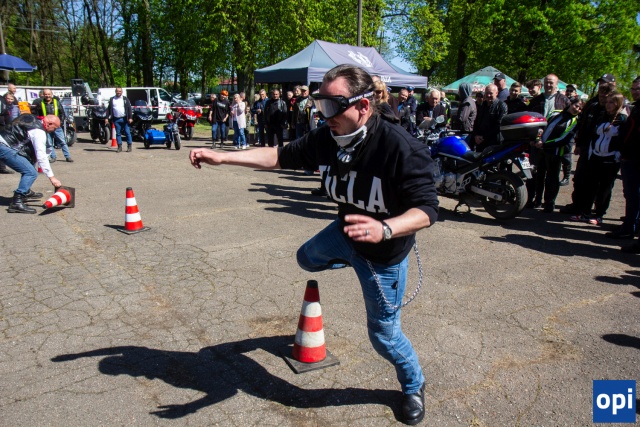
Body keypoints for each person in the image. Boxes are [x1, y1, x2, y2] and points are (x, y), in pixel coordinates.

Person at [189, 64, 438, 425]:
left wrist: (386, 228)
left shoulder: (400, 147)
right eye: (320, 104)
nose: (324, 116)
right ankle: (352, 260)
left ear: (362, 106)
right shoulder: (329, 137)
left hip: (385, 254)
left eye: (332, 106)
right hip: (346, 233)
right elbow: (279, 155)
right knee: (306, 257)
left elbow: (427, 210)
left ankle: (413, 385)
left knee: (384, 336)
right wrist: (223, 157)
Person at [569, 91, 626, 225]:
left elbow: (623, 139)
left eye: (611, 102)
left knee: (604, 188)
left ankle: (599, 214)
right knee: (589, 185)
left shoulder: (622, 119)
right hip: (595, 155)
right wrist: (591, 150)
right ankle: (584, 212)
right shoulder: (602, 116)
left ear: (618, 104)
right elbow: (594, 134)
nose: (608, 105)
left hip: (610, 158)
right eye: (607, 102)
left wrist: (617, 154)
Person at [561, 82, 614, 214]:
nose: (602, 98)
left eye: (605, 96)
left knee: (599, 183)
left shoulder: (613, 113)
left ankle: (597, 210)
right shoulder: (592, 106)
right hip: (586, 147)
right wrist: (579, 144)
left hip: (603, 152)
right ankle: (577, 205)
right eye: (601, 95)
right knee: (579, 178)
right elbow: (583, 125)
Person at [0, 114, 63, 213]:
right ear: (49, 124)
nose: (54, 131)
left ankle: (26, 191)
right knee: (31, 172)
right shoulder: (38, 132)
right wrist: (52, 177)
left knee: (29, 165)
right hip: (4, 147)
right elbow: (41, 155)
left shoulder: (33, 120)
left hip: (4, 142)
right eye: (55, 128)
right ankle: (17, 202)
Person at [532, 98, 583, 212]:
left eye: (580, 108)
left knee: (552, 179)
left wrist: (544, 144)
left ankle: (549, 203)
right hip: (541, 149)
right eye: (576, 105)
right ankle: (537, 200)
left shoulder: (575, 121)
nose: (577, 109)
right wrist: (537, 139)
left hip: (555, 152)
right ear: (571, 103)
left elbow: (564, 139)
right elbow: (542, 126)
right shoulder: (555, 113)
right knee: (539, 176)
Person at [612, 77, 640, 246]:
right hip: (628, 158)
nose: (635, 92)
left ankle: (630, 228)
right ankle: (629, 226)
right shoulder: (636, 108)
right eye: (633, 88)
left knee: (635, 196)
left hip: (635, 159)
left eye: (638, 89)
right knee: (631, 195)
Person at [31, 89, 73, 162]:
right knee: (49, 143)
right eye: (46, 94)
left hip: (57, 127)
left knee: (62, 141)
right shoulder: (40, 103)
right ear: (43, 95)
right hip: (46, 127)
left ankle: (68, 156)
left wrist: (60, 123)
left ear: (51, 94)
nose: (47, 96)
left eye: (49, 94)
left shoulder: (57, 103)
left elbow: (62, 113)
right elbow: (36, 114)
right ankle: (53, 157)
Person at [472, 84, 507, 150]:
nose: (488, 95)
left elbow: (499, 125)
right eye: (486, 93)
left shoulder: (502, 106)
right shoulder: (482, 105)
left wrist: (484, 137)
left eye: (491, 93)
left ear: (496, 93)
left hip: (493, 142)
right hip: (480, 142)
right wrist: (476, 135)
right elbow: (476, 121)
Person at [105, 87, 133, 153]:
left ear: (122, 92)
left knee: (127, 132)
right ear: (115, 91)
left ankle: (129, 146)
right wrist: (106, 118)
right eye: (117, 91)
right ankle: (119, 147)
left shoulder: (125, 99)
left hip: (125, 118)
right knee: (118, 133)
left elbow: (129, 108)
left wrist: (130, 117)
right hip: (116, 119)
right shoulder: (112, 99)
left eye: (120, 91)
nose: (119, 92)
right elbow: (108, 109)